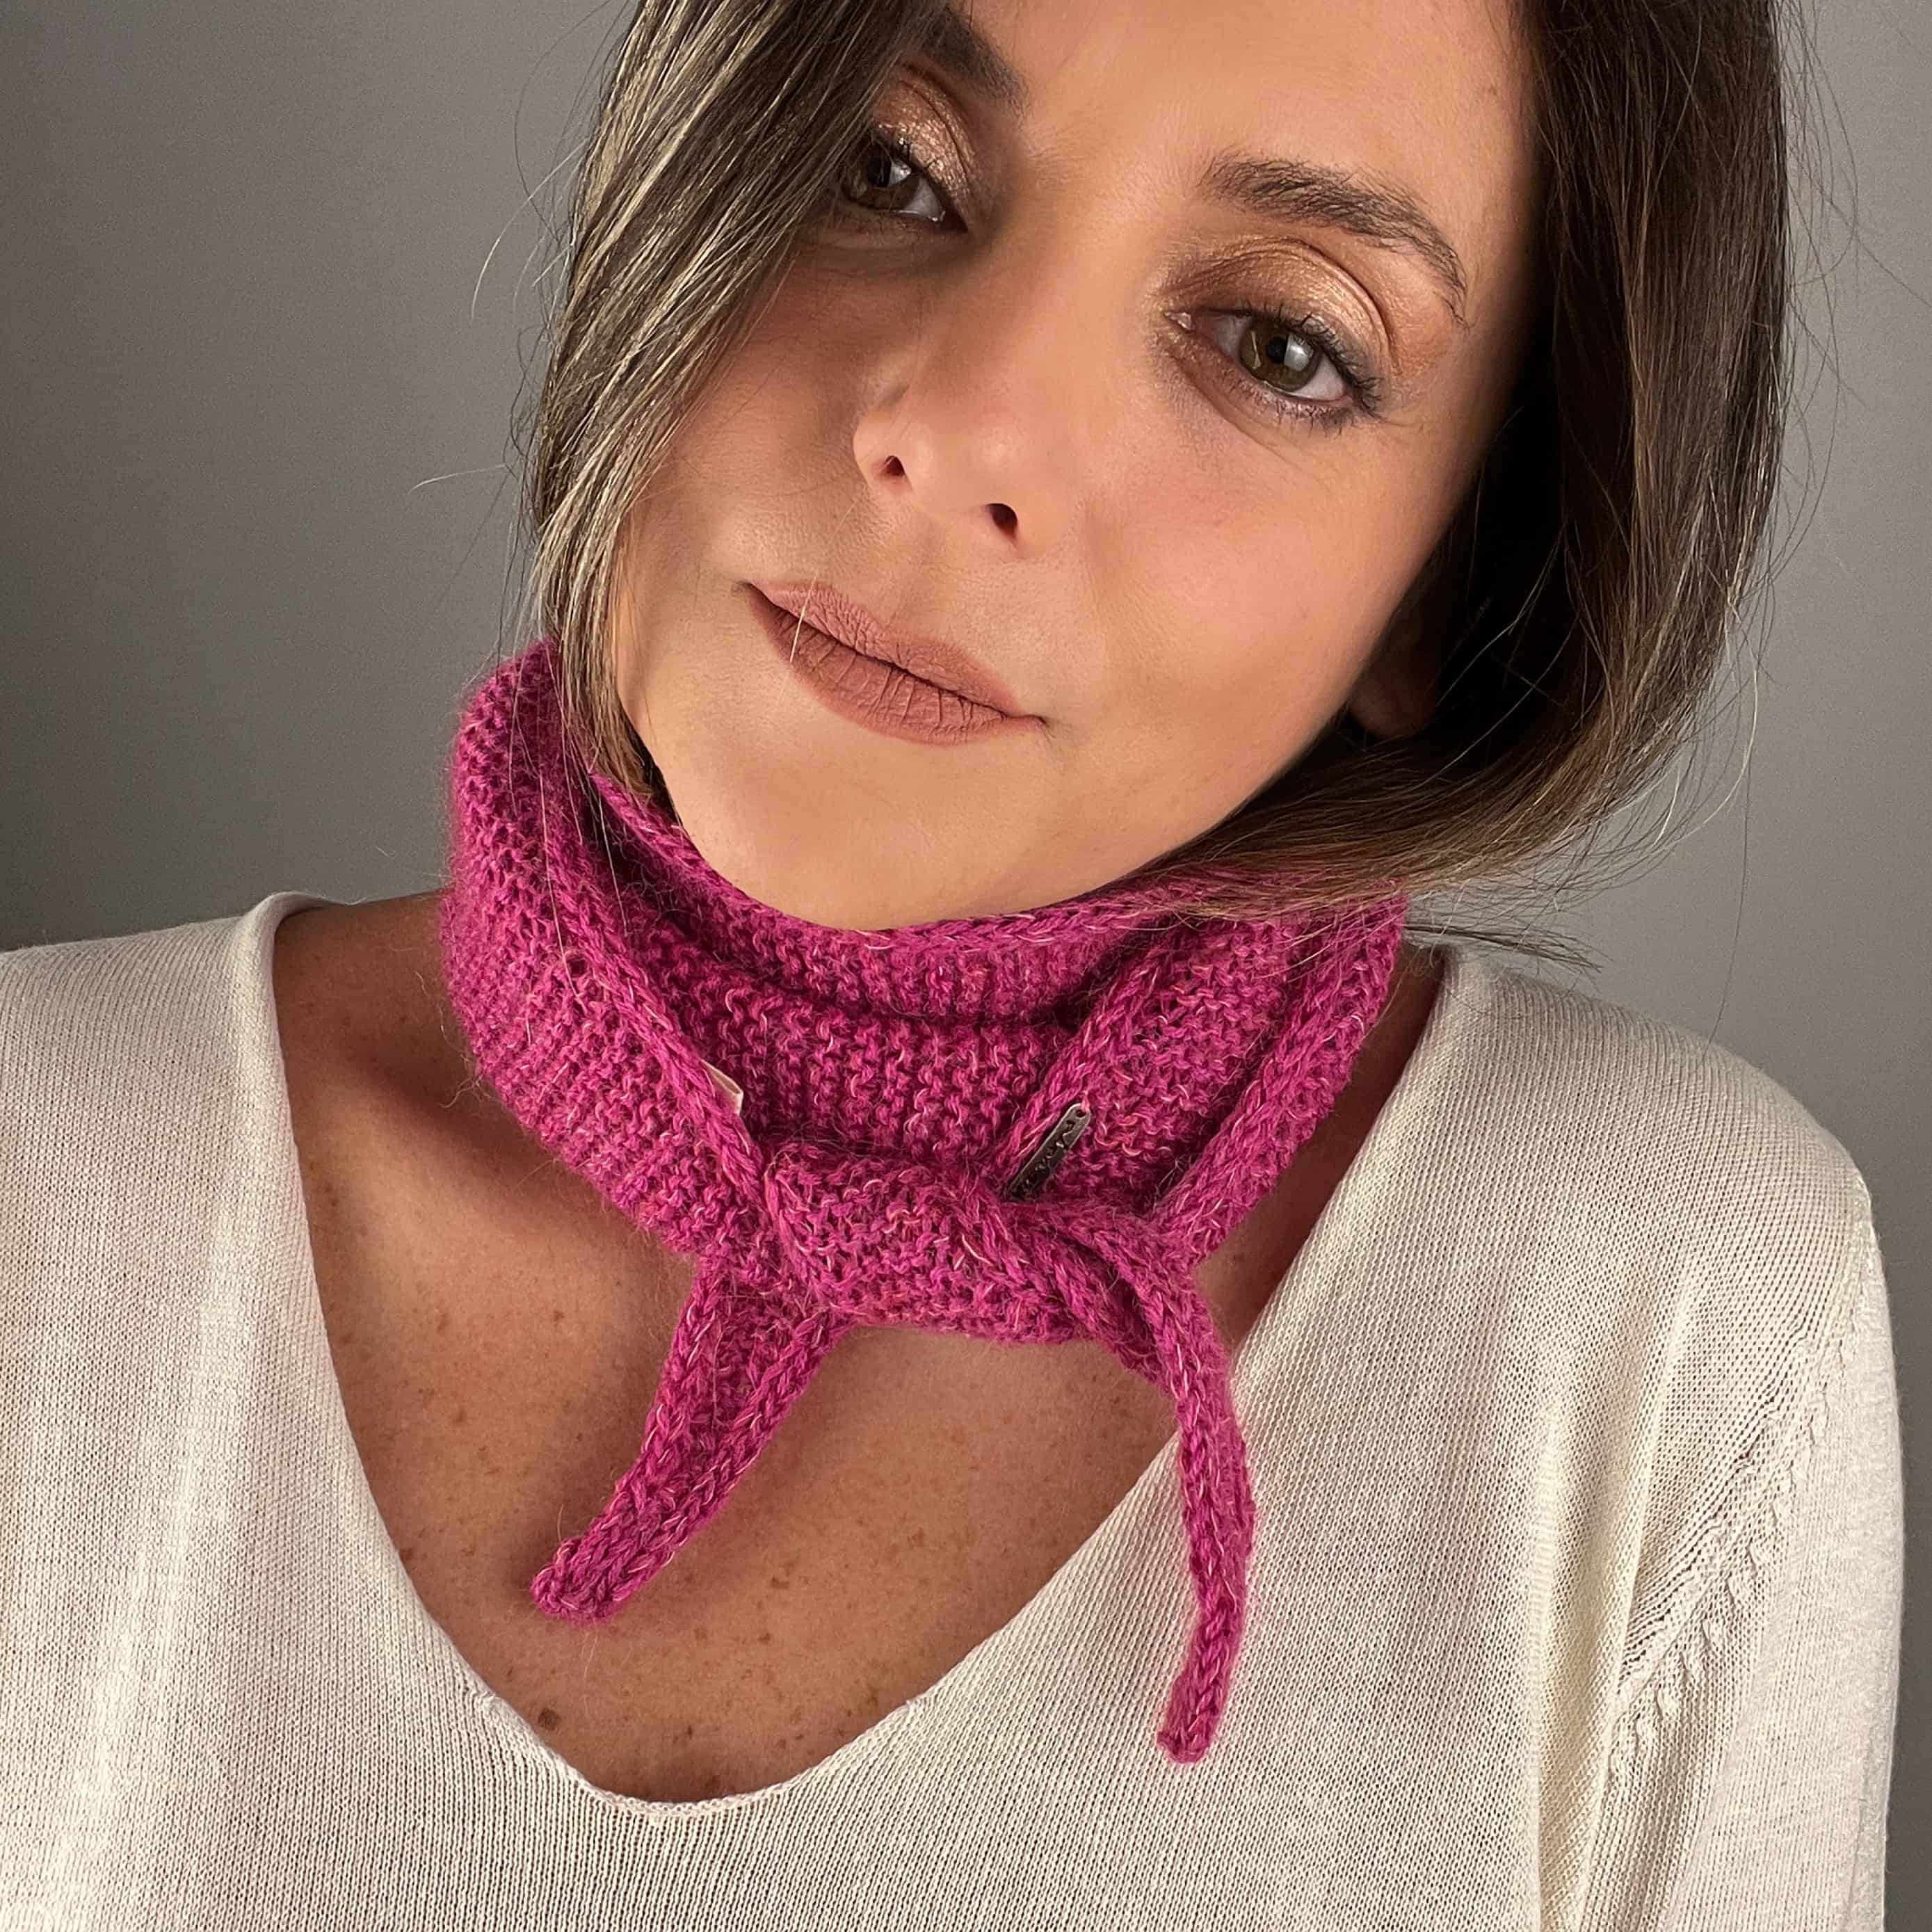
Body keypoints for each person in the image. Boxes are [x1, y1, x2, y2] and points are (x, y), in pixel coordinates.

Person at [0, 0, 1901, 1925]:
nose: (959, 432)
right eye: (885, 166)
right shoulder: (34, 1176)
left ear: (1453, 583)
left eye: (1276, 342)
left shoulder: (1670, 1321)